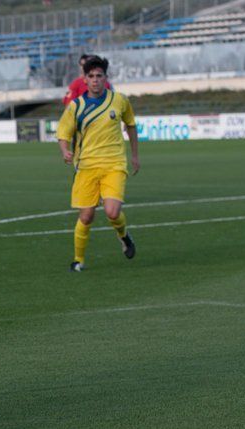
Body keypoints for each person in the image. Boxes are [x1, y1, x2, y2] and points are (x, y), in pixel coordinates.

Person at [56, 55, 139, 272]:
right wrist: (65, 150)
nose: (95, 80)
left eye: (99, 76)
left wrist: (135, 155)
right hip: (86, 166)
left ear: (106, 78)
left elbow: (130, 124)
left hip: (114, 164)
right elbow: (63, 134)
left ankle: (124, 236)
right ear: (84, 79)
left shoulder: (119, 100)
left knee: (112, 212)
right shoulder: (76, 106)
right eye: (91, 76)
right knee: (87, 215)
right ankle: (78, 260)